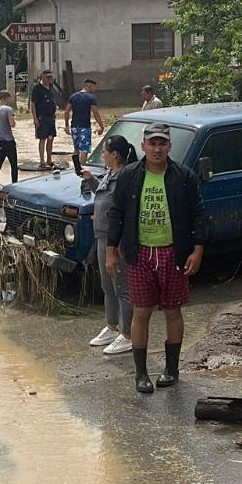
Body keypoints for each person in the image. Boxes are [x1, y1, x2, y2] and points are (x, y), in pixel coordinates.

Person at [106, 122, 205, 393]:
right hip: (139, 253)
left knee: (173, 310)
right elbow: (116, 213)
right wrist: (110, 250)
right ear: (143, 146)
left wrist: (197, 249)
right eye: (152, 143)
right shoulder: (129, 175)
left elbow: (198, 214)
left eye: (162, 143)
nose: (157, 149)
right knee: (141, 312)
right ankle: (141, 374)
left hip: (174, 252)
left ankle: (171, 369)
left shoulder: (184, 176)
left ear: (169, 146)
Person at [88, 135, 136, 356]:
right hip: (101, 236)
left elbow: (122, 210)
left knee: (122, 287)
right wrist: (90, 180)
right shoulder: (109, 175)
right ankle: (111, 326)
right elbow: (104, 197)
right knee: (107, 286)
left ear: (114, 154)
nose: (103, 156)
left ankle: (127, 335)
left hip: (116, 241)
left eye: (105, 152)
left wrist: (118, 244)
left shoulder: (125, 178)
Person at [65, 77, 104, 174]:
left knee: (76, 149)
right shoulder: (91, 98)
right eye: (93, 87)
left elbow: (66, 111)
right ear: (89, 86)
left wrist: (66, 125)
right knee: (84, 150)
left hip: (74, 126)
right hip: (85, 127)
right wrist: (101, 126)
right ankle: (82, 170)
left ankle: (76, 168)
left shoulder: (73, 96)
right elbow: (96, 113)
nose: (94, 89)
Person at [31, 70, 59, 169]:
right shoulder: (37, 88)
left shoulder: (51, 87)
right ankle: (42, 161)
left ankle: (49, 160)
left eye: (50, 77)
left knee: (50, 138)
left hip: (51, 118)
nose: (49, 79)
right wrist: (35, 118)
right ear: (42, 77)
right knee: (42, 138)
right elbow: (33, 104)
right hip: (41, 117)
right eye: (47, 77)